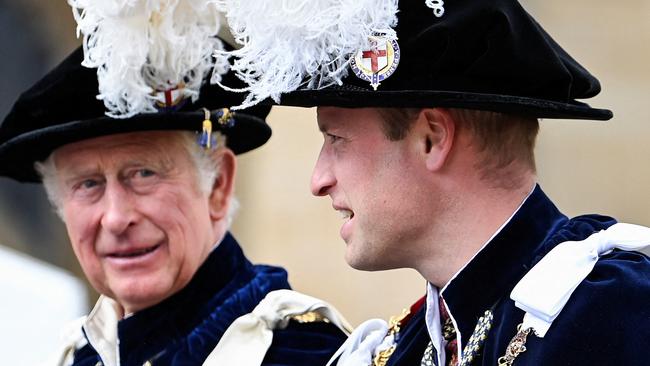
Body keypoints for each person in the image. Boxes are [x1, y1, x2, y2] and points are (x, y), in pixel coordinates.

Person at [216, 0, 650, 365]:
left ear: (431, 139)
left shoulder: (609, 313)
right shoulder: (412, 345)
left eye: (336, 139)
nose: (318, 180)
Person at [0, 2, 350, 364]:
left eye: (143, 174)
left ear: (218, 185)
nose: (116, 218)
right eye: (88, 184)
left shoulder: (298, 351)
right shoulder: (80, 355)